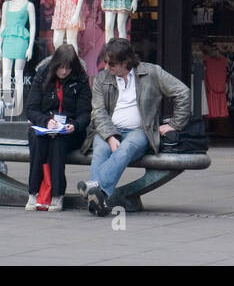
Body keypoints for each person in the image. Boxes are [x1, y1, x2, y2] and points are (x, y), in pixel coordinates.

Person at [81, 38, 190, 217]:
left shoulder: (152, 72)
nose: (107, 66)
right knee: (101, 151)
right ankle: (99, 199)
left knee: (126, 149)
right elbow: (98, 112)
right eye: (106, 62)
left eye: (112, 63)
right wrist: (109, 136)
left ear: (126, 62)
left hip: (139, 131)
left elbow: (182, 92)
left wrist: (174, 124)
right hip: (107, 129)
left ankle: (94, 188)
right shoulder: (102, 78)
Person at [24, 44, 92, 211]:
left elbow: (85, 114)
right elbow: (31, 109)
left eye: (68, 68)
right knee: (38, 140)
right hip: (44, 127)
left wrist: (74, 125)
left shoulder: (81, 80)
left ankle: (56, 194)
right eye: (60, 67)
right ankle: (34, 192)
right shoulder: (42, 76)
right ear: (54, 65)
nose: (63, 72)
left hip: (69, 131)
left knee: (58, 143)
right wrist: (46, 121)